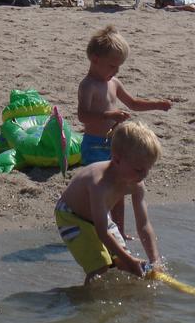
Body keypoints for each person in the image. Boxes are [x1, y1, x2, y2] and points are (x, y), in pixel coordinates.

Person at [77, 25, 172, 239]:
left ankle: (118, 229)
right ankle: (94, 227)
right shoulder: (88, 85)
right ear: (95, 59)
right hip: (93, 144)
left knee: (119, 188)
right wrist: (108, 116)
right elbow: (83, 115)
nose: (116, 71)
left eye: (119, 67)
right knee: (99, 189)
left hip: (114, 146)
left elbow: (134, 103)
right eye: (112, 66)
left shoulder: (113, 82)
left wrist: (157, 104)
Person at [55, 120, 162, 285]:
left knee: (121, 264)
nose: (144, 175)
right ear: (117, 160)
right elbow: (102, 231)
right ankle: (87, 303)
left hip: (101, 217)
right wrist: (129, 260)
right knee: (100, 267)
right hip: (71, 217)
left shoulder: (136, 184)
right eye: (139, 170)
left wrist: (155, 260)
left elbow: (144, 225)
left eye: (149, 168)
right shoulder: (100, 184)